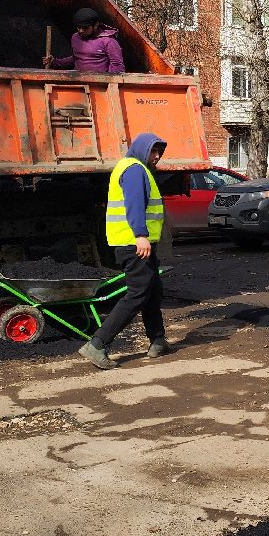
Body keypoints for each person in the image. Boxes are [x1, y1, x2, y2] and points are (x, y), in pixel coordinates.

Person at [81, 132, 169, 369]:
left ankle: (158, 340)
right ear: (142, 149)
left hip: (136, 243)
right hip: (135, 243)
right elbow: (134, 205)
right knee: (138, 293)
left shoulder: (135, 169)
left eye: (160, 151)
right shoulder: (134, 170)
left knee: (152, 289)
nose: (157, 156)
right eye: (153, 151)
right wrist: (141, 236)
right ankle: (97, 344)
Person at [46, 7, 124, 74]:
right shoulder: (75, 37)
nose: (81, 31)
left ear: (96, 25)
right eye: (78, 27)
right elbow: (76, 58)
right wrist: (55, 62)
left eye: (85, 28)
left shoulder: (108, 41)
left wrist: (109, 86)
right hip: (79, 83)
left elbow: (117, 65)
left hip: (99, 85)